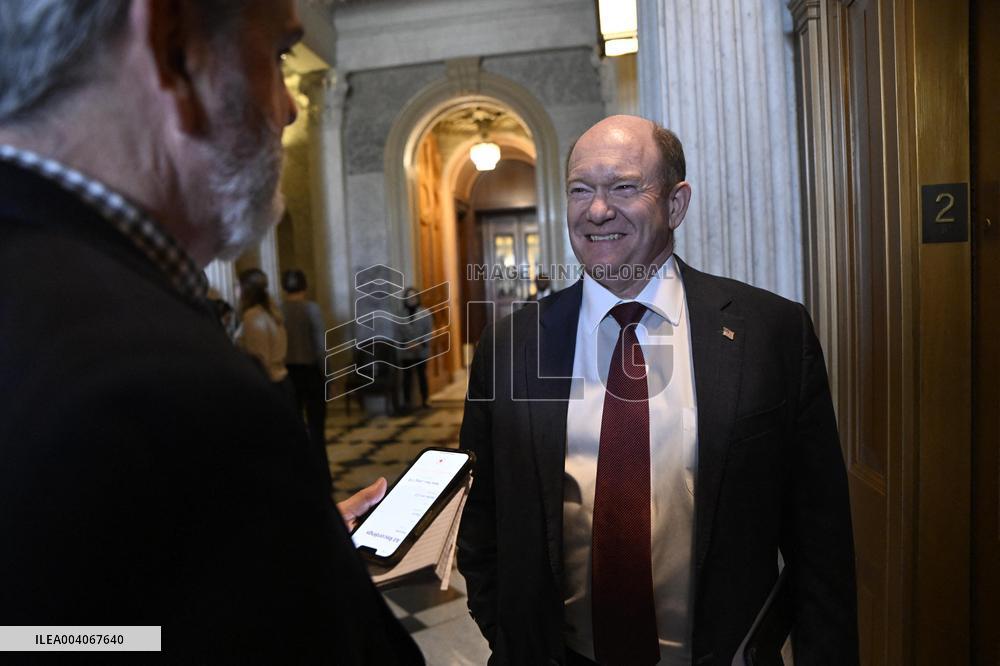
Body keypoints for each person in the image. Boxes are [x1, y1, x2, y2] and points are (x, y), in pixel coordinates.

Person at [0, 1, 421, 662]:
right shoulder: (166, 388)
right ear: (174, 52)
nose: (288, 108)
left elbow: (42, 634)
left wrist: (270, 547)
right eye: (278, 57)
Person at [456, 115, 859, 665]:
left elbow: (821, 541)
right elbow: (480, 519)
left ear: (676, 203)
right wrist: (509, 632)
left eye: (624, 186)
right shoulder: (510, 345)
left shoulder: (772, 333)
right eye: (581, 190)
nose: (598, 210)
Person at [281, 269, 329, 465]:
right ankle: (321, 475)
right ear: (305, 285)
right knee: (317, 430)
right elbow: (320, 346)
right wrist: (329, 375)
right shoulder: (311, 309)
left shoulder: (278, 309)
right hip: (311, 373)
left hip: (287, 375)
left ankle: (301, 472)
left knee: (295, 428)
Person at [238, 267, 293, 403]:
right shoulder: (270, 311)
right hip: (281, 380)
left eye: (237, 286)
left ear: (246, 289)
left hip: (269, 384)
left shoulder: (253, 315)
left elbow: (260, 358)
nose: (236, 290)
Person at [398, 286, 432, 411]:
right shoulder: (400, 314)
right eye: (409, 297)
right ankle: (407, 402)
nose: (411, 299)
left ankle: (425, 400)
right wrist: (405, 344)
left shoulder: (425, 312)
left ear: (417, 298)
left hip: (420, 350)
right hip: (405, 350)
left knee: (422, 376)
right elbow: (397, 332)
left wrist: (421, 343)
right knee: (406, 378)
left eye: (414, 297)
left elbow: (429, 331)